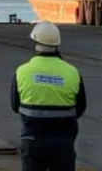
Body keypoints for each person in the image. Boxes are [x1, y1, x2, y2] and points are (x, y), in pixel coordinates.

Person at [11, 20, 87, 171]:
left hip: (32, 139)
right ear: (57, 44)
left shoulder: (22, 71)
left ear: (35, 42)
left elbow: (15, 105)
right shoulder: (72, 72)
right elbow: (80, 107)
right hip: (63, 142)